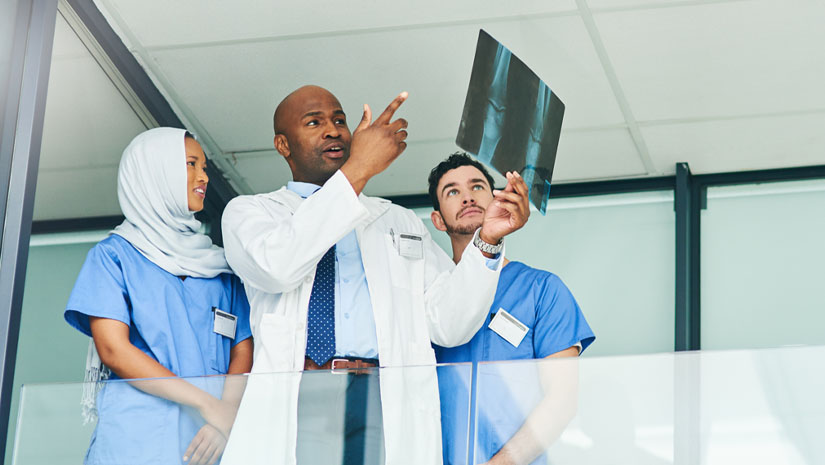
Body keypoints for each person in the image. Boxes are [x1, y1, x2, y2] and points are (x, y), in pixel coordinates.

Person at [218, 85, 530, 465]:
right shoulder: (249, 213)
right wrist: (357, 172)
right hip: (304, 394)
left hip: (384, 400)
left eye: (339, 120)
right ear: (283, 145)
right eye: (314, 122)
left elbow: (449, 324)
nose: (333, 130)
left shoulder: (395, 220)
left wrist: (488, 242)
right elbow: (278, 267)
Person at [64, 128, 253, 465]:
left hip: (209, 441)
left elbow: (242, 348)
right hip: (136, 438)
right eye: (191, 164)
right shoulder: (114, 257)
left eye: (205, 167)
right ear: (155, 174)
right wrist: (207, 405)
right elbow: (113, 349)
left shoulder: (221, 267)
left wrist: (226, 416)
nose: (203, 176)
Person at [428, 153, 595, 465]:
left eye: (477, 186)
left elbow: (562, 401)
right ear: (437, 220)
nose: (467, 197)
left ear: (496, 200)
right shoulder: (429, 301)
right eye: (452, 191)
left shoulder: (542, 290)